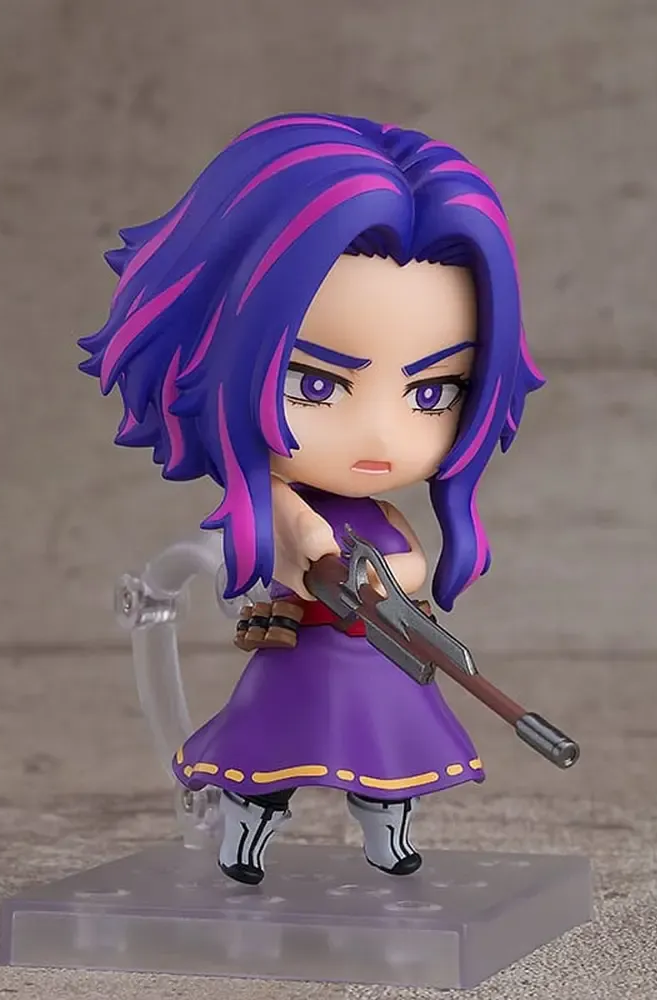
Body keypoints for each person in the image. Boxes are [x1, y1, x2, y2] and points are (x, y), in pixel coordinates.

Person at [79, 113, 545, 885]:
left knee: (389, 768)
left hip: (380, 660)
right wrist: (307, 553)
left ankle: (387, 840)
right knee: (264, 765)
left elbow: (410, 569)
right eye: (317, 384)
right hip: (300, 659)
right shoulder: (281, 506)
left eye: (432, 392)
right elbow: (280, 551)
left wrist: (386, 586)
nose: (380, 433)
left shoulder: (382, 518)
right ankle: (242, 842)